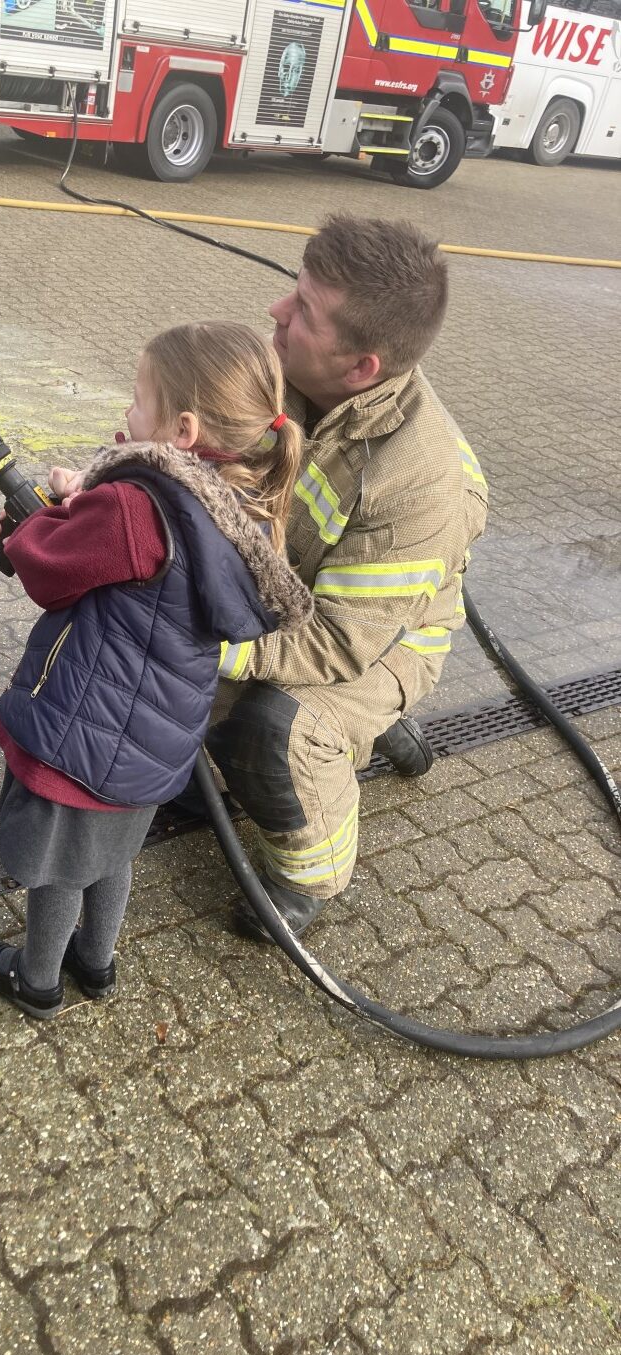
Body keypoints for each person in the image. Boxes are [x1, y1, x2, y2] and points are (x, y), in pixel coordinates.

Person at [0, 322, 313, 1018]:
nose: (126, 412)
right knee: (113, 853)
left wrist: (31, 525)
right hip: (156, 739)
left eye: (136, 398)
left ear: (182, 429)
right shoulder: (234, 502)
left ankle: (37, 982)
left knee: (62, 864)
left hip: (87, 733)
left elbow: (50, 570)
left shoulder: (135, 505)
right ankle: (96, 964)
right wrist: (82, 499)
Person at [204, 214, 489, 939]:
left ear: (361, 367)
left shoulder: (419, 481)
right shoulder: (287, 373)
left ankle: (309, 876)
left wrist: (213, 649)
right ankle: (368, 731)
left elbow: (337, 645)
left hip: (381, 642)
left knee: (275, 726)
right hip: (302, 590)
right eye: (291, 291)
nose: (276, 312)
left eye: (303, 311)